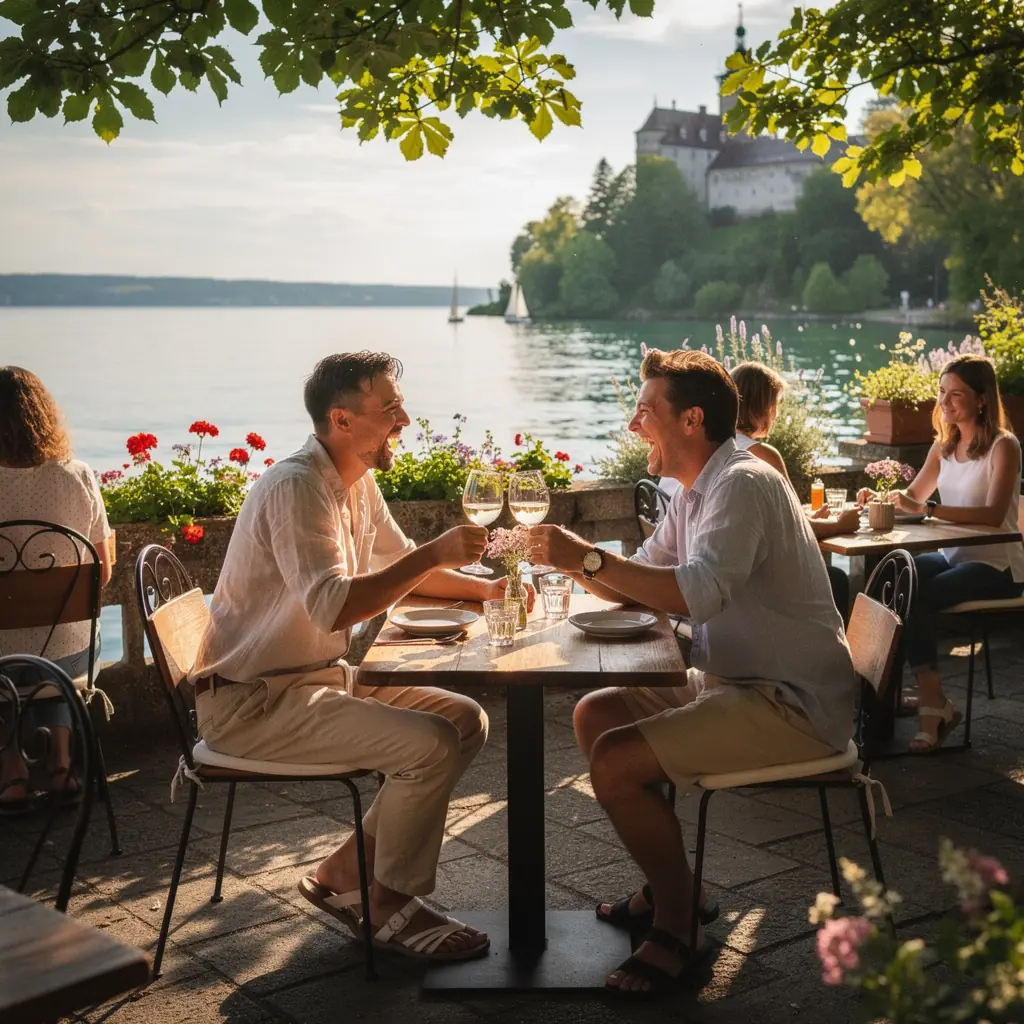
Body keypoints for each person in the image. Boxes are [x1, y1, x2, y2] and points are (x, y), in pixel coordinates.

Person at [528, 348, 856, 996]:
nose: (631, 425)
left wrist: (589, 560)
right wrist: (571, 565)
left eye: (644, 411)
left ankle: (680, 927)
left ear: (691, 421)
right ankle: (675, 887)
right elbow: (645, 578)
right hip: (739, 682)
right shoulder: (694, 485)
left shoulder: (743, 482)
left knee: (617, 762)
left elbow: (696, 592)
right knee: (595, 713)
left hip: (792, 703)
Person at [189, 351, 531, 963]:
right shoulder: (296, 487)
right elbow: (334, 608)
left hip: (316, 681)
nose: (403, 419)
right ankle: (385, 906)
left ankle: (345, 873)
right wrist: (432, 555)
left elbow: (393, 568)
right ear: (341, 420)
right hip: (251, 704)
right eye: (389, 407)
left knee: (462, 721)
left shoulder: (355, 481)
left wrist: (487, 590)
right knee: (428, 745)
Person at [857, 355, 1024, 752]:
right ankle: (883, 697)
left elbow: (994, 515)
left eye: (956, 395)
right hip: (954, 558)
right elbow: (913, 499)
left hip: (997, 564)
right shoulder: (943, 446)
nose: (945, 403)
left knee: (920, 596)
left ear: (982, 400)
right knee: (892, 578)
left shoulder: (1004, 446)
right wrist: (877, 499)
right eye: (941, 393)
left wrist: (927, 509)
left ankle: (933, 705)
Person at [0, 366, 113, 813]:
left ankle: (12, 776)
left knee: (11, 656)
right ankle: (63, 766)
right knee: (55, 651)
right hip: (70, 658)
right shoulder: (78, 475)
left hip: (2, 661)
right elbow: (101, 572)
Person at [730, 361, 860, 621]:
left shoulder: (714, 448)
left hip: (733, 577)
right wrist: (840, 524)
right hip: (759, 581)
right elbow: (795, 526)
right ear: (761, 406)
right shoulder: (762, 455)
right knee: (838, 580)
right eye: (775, 404)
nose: (776, 414)